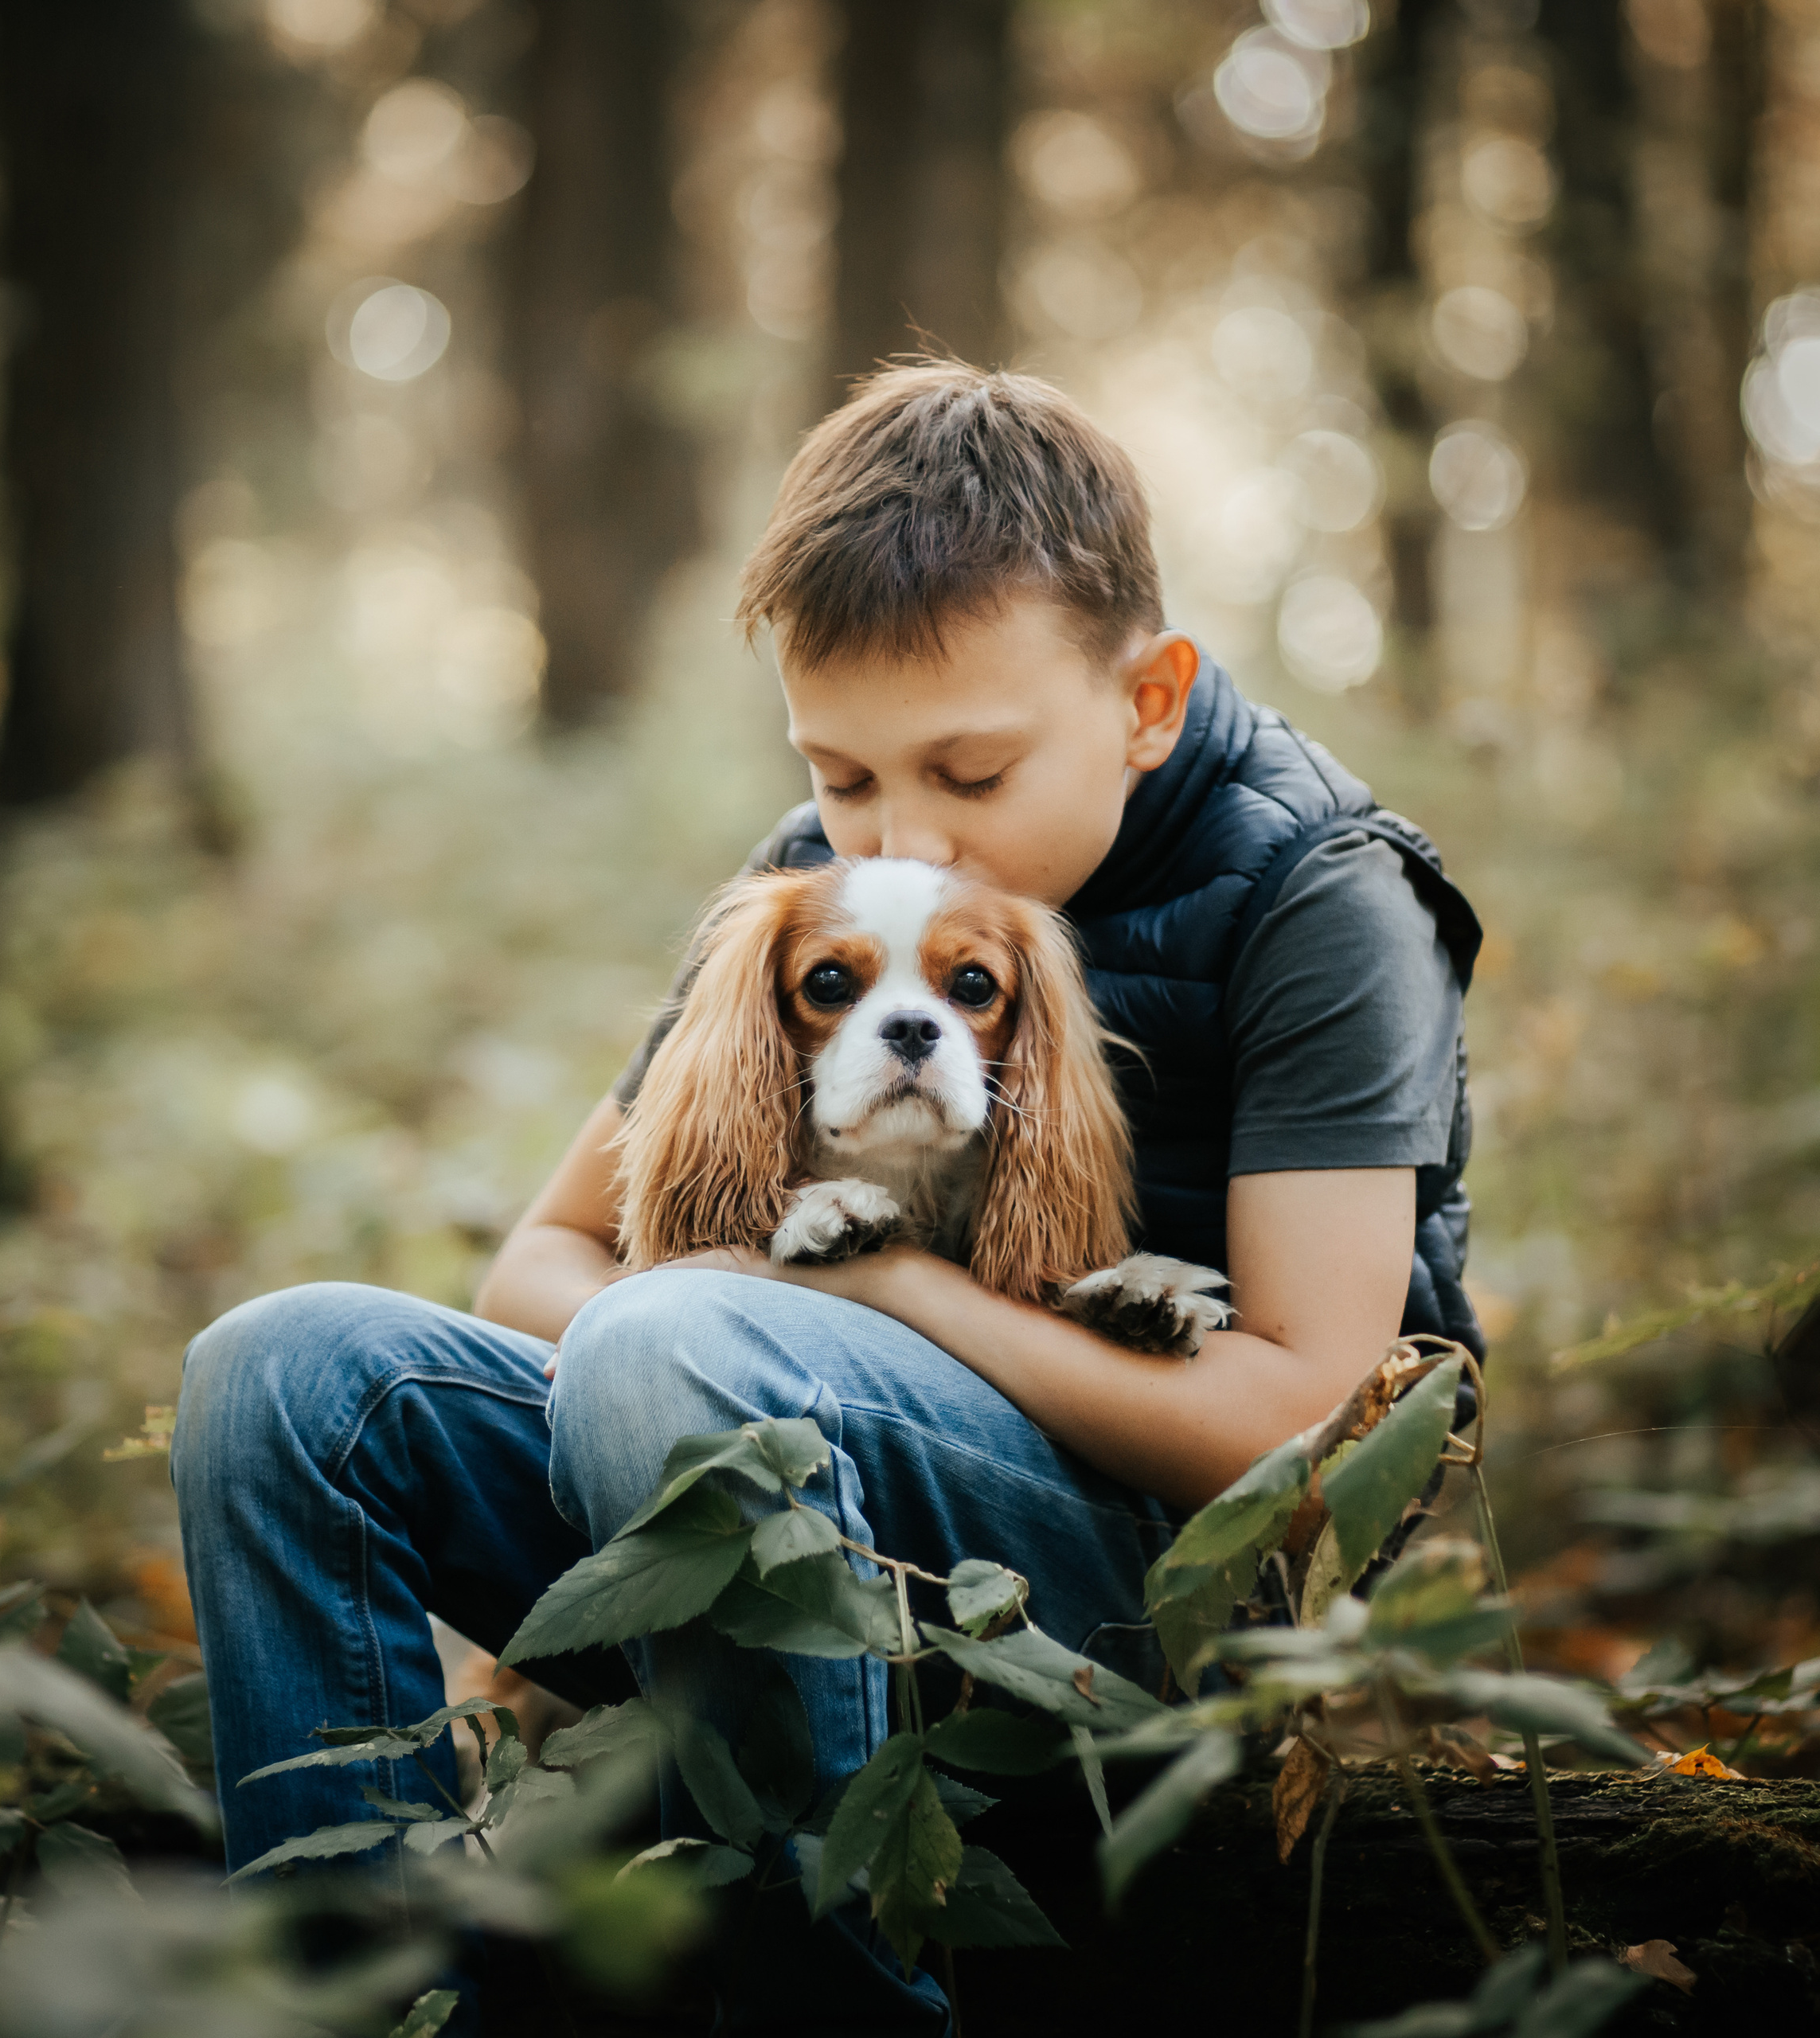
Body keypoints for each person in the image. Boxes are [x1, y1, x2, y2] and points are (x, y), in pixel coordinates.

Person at [173, 361, 1482, 2032]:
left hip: (1172, 1584)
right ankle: (358, 1995)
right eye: (844, 775)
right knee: (281, 1377)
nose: (901, 836)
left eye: (969, 774)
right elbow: (546, 1255)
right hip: (785, 1470)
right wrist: (709, 1351)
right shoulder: (825, 869)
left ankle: (813, 1996)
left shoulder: (1319, 896)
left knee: (676, 1339)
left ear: (1147, 701)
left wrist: (858, 1301)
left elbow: (1294, 1429)